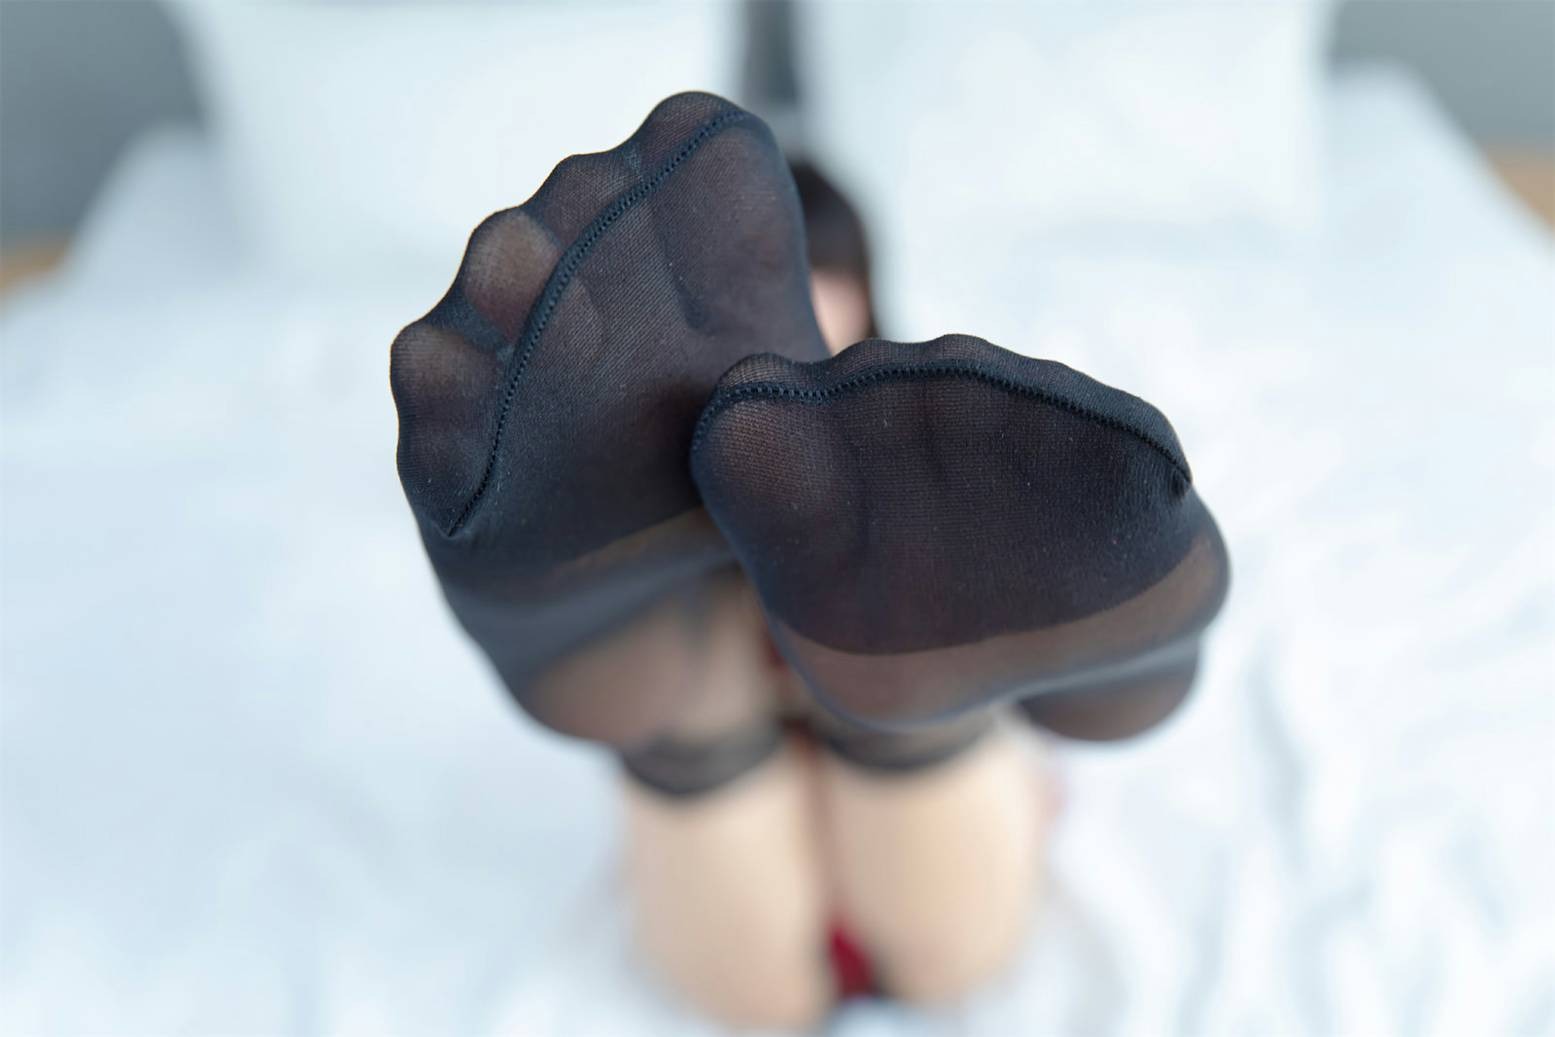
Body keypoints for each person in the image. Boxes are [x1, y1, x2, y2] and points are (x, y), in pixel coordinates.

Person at [390, 94, 1226, 1029]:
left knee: (768, 726)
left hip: (775, 831)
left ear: (865, 295)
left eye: (812, 279)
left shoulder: (952, 458)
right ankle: (786, 662)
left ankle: (749, 661)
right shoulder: (948, 463)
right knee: (783, 841)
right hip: (798, 843)